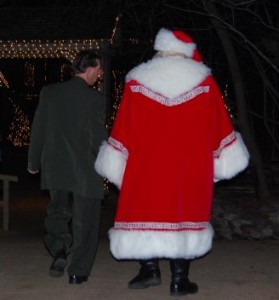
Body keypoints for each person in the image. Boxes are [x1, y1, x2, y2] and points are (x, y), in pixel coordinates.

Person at [94, 28, 250, 297]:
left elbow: (124, 127)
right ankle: (179, 280)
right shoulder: (203, 82)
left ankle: (149, 269)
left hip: (147, 164)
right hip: (190, 165)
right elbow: (219, 125)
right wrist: (221, 158)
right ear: (187, 51)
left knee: (145, 208)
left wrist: (117, 160)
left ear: (161, 48)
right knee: (185, 211)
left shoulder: (137, 81)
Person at [27, 50, 107, 284]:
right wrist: (110, 163)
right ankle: (77, 272)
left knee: (58, 212)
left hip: (56, 166)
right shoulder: (95, 99)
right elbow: (97, 138)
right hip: (85, 169)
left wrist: (34, 162)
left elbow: (38, 129)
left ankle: (60, 249)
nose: (100, 73)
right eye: (99, 69)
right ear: (90, 69)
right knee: (86, 220)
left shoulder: (49, 93)